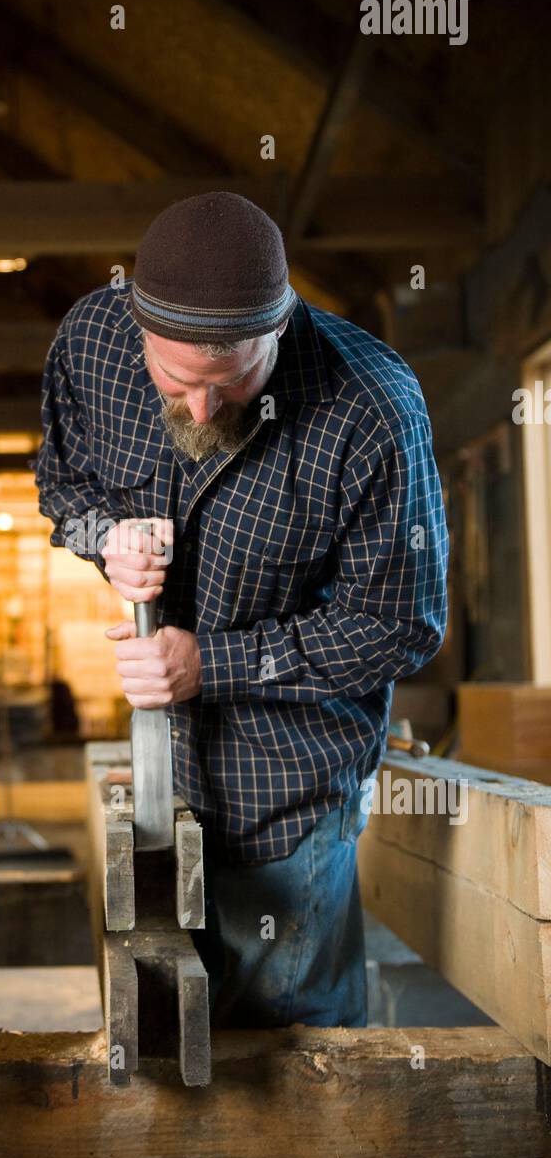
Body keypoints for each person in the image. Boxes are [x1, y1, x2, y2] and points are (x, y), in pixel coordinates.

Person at [34, 190, 449, 1028]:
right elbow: (61, 485)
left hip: (287, 792)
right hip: (161, 777)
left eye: (230, 383)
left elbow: (400, 625)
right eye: (178, 380)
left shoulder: (371, 408)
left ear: (278, 327)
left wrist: (206, 664)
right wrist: (101, 534)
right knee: (165, 1046)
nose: (200, 409)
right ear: (138, 330)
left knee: (294, 1062)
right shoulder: (91, 342)